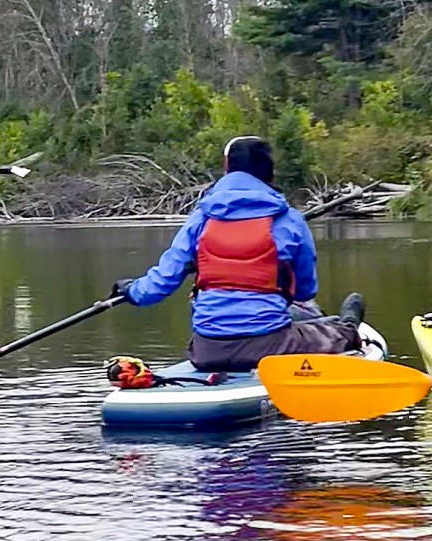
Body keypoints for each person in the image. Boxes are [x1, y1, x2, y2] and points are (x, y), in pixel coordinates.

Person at [110, 135, 366, 372]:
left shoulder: (201, 219)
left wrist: (131, 290)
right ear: (270, 171)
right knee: (333, 330)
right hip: (270, 347)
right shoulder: (290, 220)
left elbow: (159, 284)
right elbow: (304, 292)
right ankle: (348, 327)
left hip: (207, 351)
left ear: (226, 167)